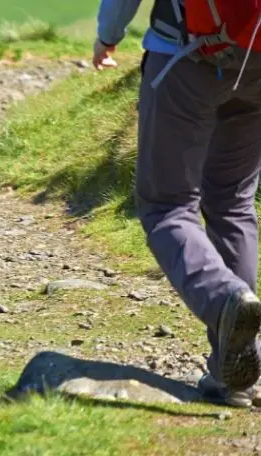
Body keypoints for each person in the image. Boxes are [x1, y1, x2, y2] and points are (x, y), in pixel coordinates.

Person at [93, 0, 261, 408]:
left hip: (186, 57)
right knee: (233, 203)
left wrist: (107, 36)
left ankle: (223, 300)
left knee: (166, 206)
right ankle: (233, 376)